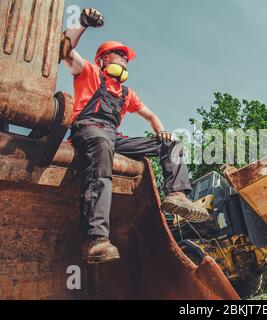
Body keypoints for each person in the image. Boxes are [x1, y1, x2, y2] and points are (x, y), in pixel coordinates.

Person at [60, 8, 209, 264]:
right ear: (103, 59)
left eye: (126, 58)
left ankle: (177, 195)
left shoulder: (126, 93)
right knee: (102, 144)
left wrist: (160, 131)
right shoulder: (88, 73)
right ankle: (97, 239)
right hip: (89, 130)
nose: (125, 61)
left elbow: (150, 115)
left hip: (114, 137)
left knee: (171, 144)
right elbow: (63, 51)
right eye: (120, 55)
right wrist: (82, 24)